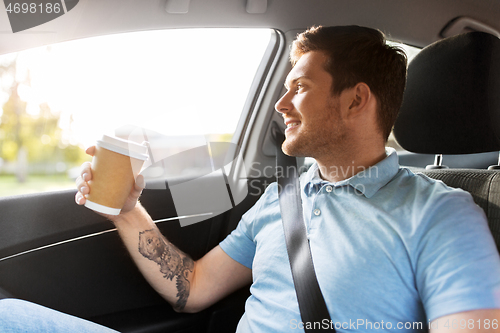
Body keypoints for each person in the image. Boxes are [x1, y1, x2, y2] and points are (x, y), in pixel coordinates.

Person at [1, 25, 500, 332]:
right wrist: (128, 210)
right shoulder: (280, 198)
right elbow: (191, 289)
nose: (282, 106)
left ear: (355, 100)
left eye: (299, 87)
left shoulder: (443, 216)